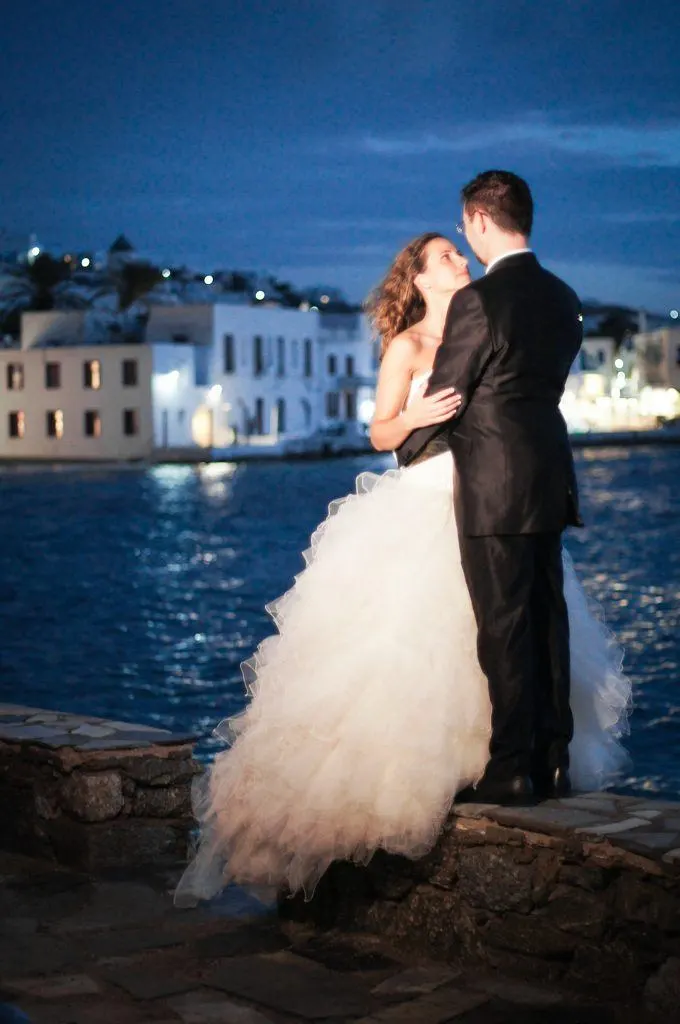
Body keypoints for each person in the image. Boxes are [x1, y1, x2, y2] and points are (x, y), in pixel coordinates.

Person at [174, 224, 630, 909]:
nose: (459, 259)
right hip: (425, 504)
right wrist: (415, 411)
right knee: (417, 645)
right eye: (445, 256)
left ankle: (515, 759)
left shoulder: (492, 323)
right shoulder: (408, 346)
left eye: (459, 250)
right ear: (416, 279)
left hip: (496, 502)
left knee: (509, 629)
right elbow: (380, 432)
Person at [395, 170, 590, 805]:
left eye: (463, 227)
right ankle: (554, 762)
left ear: (480, 221)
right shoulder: (563, 297)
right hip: (548, 474)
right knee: (546, 618)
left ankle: (509, 768)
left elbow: (449, 395)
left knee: (503, 625)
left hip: (493, 482)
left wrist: (409, 451)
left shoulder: (481, 301)